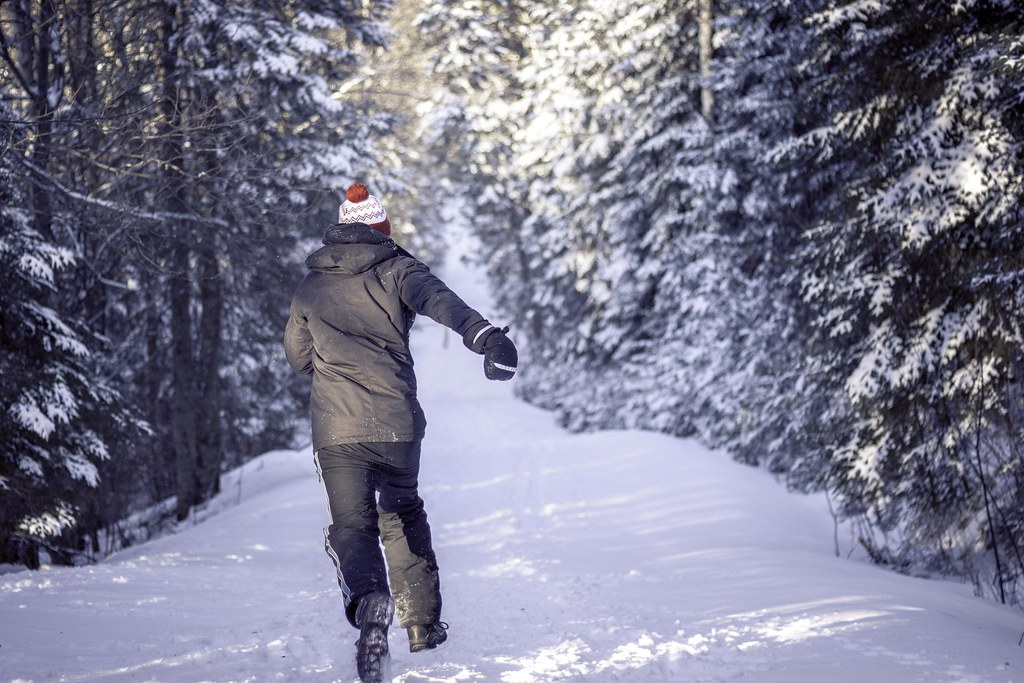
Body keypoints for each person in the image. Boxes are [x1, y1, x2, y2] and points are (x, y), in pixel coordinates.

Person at [283, 183, 517, 682]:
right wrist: (488, 338)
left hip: (336, 428)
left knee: (352, 525)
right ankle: (422, 627)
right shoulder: (399, 271)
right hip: (395, 423)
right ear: (381, 230)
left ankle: (370, 603)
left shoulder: (310, 287)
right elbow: (443, 304)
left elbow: (298, 358)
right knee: (402, 512)